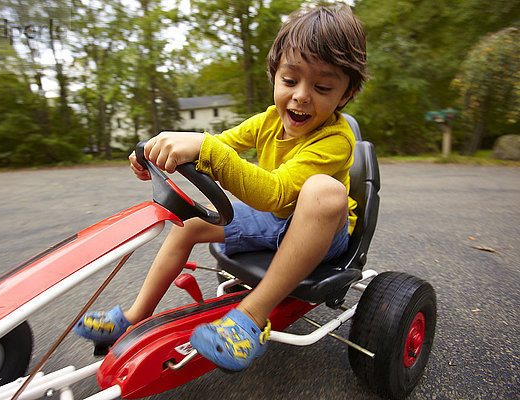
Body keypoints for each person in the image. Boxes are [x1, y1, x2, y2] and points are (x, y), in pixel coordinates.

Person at [74, 4, 368, 372]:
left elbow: (273, 192)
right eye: (290, 81)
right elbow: (220, 145)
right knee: (190, 225)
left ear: (345, 94)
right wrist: (160, 151)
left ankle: (250, 318)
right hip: (275, 222)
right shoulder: (268, 120)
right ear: (274, 76)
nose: (301, 96)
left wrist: (206, 147)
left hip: (324, 234)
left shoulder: (336, 139)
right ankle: (134, 316)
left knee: (324, 190)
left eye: (322, 87)